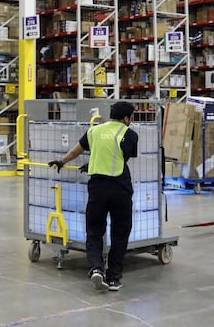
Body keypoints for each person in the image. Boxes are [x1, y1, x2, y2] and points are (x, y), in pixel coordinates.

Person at [48, 101, 138, 292]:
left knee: (95, 230)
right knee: (120, 233)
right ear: (126, 118)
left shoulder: (94, 131)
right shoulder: (129, 134)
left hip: (97, 188)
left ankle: (96, 267)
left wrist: (62, 162)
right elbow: (121, 157)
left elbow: (76, 150)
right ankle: (114, 278)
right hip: (120, 188)